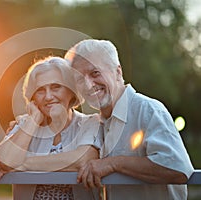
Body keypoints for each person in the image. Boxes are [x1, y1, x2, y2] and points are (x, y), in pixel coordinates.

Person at [64, 39, 194, 200]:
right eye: (79, 79)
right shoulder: (96, 123)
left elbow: (178, 169)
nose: (88, 85)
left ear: (118, 72)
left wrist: (113, 163)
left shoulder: (147, 110)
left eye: (95, 73)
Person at [0, 56, 101, 199]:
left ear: (72, 90)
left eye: (55, 87)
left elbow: (81, 161)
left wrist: (21, 164)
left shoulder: (91, 123)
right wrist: (33, 121)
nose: (48, 97)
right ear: (33, 97)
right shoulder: (25, 124)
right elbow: (4, 159)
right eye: (40, 90)